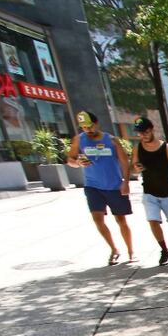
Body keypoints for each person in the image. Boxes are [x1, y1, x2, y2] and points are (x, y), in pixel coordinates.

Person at [67, 110, 134, 265]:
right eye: (84, 127)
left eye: (89, 125)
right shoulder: (78, 140)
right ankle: (114, 249)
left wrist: (126, 182)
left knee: (121, 220)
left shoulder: (112, 140)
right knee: (97, 219)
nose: (87, 129)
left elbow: (124, 162)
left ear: (96, 123)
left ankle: (130, 250)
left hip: (114, 185)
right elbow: (70, 159)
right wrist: (77, 163)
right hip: (92, 186)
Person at [132, 117, 168, 265]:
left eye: (145, 131)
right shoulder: (138, 148)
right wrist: (137, 168)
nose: (142, 135)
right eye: (140, 133)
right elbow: (134, 164)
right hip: (149, 192)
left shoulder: (167, 148)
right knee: (153, 221)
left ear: (152, 130)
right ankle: (165, 250)